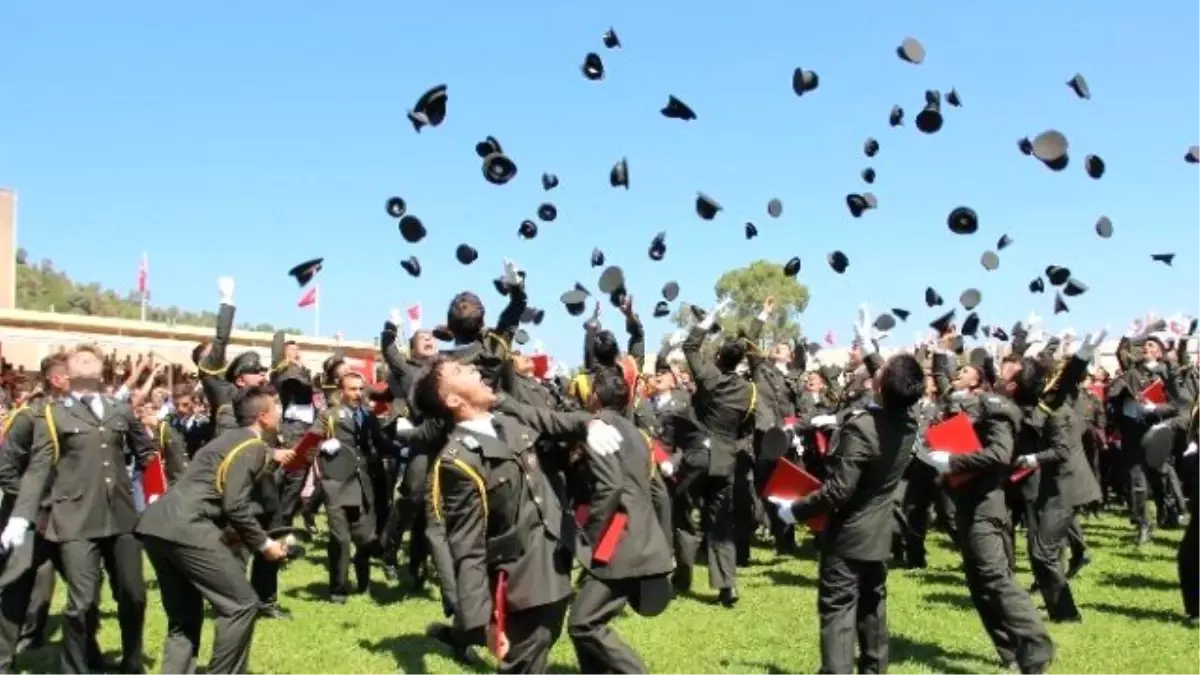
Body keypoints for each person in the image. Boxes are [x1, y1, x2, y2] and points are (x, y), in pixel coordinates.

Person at [412, 356, 622, 673]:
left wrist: (588, 424)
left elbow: (550, 420)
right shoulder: (459, 461)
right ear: (453, 399)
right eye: (460, 371)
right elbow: (466, 549)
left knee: (544, 642)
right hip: (522, 581)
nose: (473, 369)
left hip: (556, 558)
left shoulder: (506, 422)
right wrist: (482, 624)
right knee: (527, 659)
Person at [0, 346, 158, 675]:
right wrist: (20, 515)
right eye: (79, 357)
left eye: (92, 357)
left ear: (102, 371)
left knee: (134, 595)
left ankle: (131, 659)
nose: (86, 360)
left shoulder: (120, 410)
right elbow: (38, 468)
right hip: (74, 520)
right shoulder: (51, 415)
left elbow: (147, 454)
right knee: (80, 604)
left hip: (121, 518)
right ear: (66, 374)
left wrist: (159, 495)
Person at [770, 350, 925, 675]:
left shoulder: (863, 428)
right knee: (872, 613)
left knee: (839, 613)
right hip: (879, 533)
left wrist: (794, 511)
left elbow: (839, 490)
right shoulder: (909, 424)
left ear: (881, 388)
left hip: (849, 537)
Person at [136, 386, 293, 674]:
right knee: (242, 604)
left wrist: (232, 535)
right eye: (277, 408)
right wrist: (264, 544)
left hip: (157, 525)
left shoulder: (229, 439)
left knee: (183, 618)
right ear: (263, 416)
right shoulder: (253, 446)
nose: (280, 413)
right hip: (188, 526)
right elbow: (235, 504)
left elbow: (218, 491)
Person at [925, 340, 1055, 675]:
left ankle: (1037, 647)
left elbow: (999, 454)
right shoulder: (987, 400)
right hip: (969, 501)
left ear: (1012, 383)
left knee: (995, 579)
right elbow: (949, 391)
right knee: (979, 584)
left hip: (986, 505)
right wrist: (942, 354)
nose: (1003, 363)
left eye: (1011, 365)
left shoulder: (999, 406)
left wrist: (952, 461)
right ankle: (1010, 652)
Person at [567, 367, 674, 675]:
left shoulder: (597, 427)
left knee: (583, 623)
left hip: (619, 539)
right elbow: (658, 493)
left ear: (596, 397)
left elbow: (610, 487)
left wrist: (588, 536)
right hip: (639, 535)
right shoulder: (638, 434)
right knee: (587, 617)